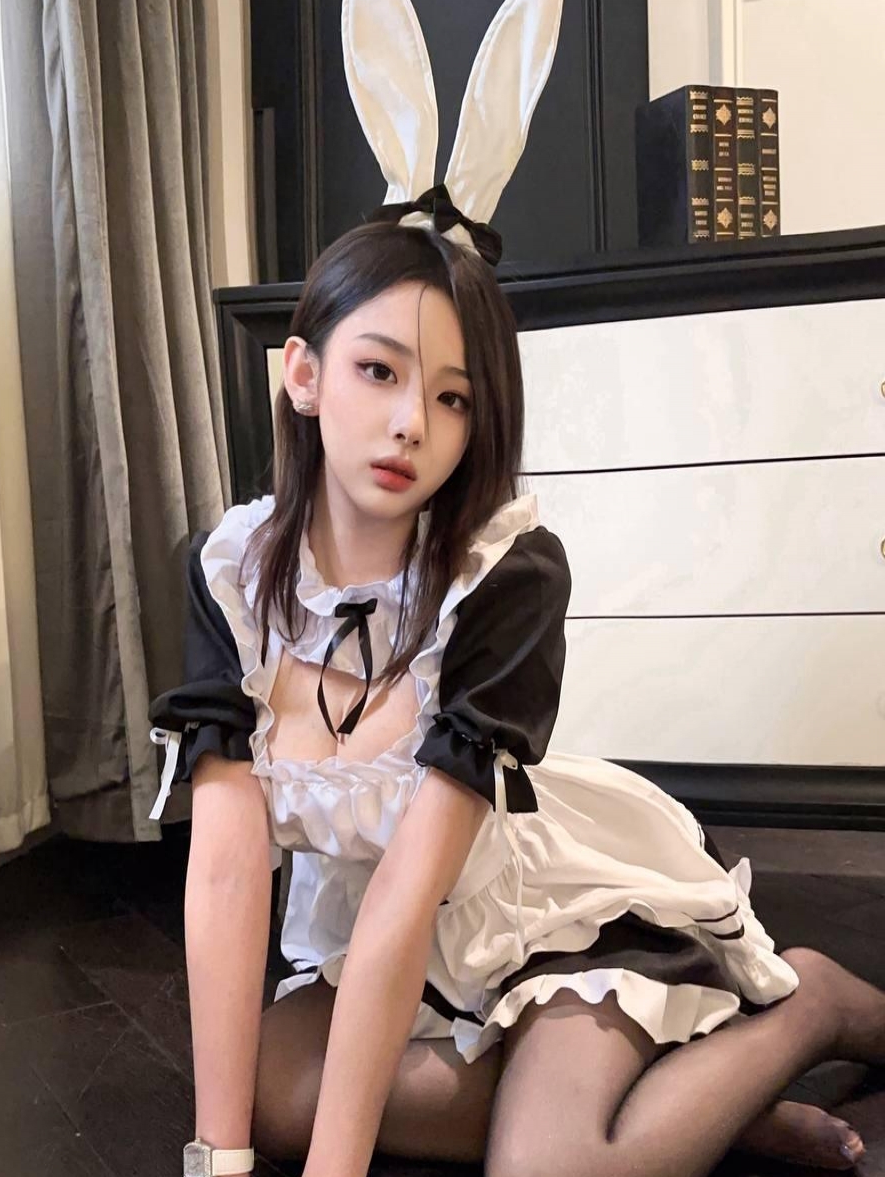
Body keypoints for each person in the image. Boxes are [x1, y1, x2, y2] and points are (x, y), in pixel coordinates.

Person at [149, 217, 883, 1177]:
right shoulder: (231, 574)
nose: (412, 422)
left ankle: (811, 1007)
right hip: (396, 943)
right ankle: (697, 1101)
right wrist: (216, 1161)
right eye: (379, 370)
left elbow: (410, 895)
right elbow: (226, 871)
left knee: (546, 1166)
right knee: (272, 1100)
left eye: (451, 397)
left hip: (548, 921)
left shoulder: (506, 575)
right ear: (304, 375)